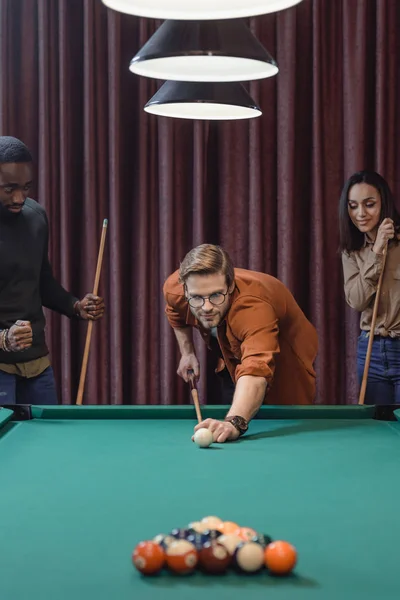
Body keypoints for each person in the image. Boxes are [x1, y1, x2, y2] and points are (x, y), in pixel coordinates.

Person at [163, 244, 318, 442]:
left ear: (230, 286)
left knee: (286, 433)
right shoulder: (175, 290)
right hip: (232, 355)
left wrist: (235, 422)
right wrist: (187, 352)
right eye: (196, 298)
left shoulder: (252, 307)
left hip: (286, 361)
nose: (207, 307)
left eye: (216, 295)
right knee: (234, 413)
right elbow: (175, 313)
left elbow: (256, 368)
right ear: (184, 290)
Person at [0, 136, 105, 404]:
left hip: (36, 363)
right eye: (9, 188)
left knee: (48, 444)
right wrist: (4, 339)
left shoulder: (35, 216)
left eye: (26, 187)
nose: (19, 197)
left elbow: (42, 281)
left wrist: (75, 306)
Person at [339, 170, 400, 405]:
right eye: (353, 206)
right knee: (375, 425)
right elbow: (356, 301)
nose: (361, 214)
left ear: (384, 203)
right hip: (371, 350)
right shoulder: (352, 251)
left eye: (369, 204)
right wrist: (377, 252)